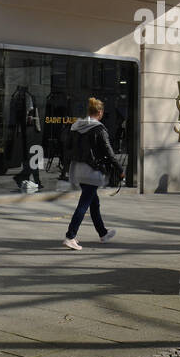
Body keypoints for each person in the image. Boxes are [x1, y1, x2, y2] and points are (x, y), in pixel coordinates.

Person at [62, 97, 121, 250]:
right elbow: (109, 151)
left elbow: (67, 147)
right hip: (92, 171)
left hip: (77, 169)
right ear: (100, 112)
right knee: (84, 204)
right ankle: (70, 236)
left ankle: (103, 233)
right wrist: (119, 169)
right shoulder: (99, 129)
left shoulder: (76, 126)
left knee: (94, 203)